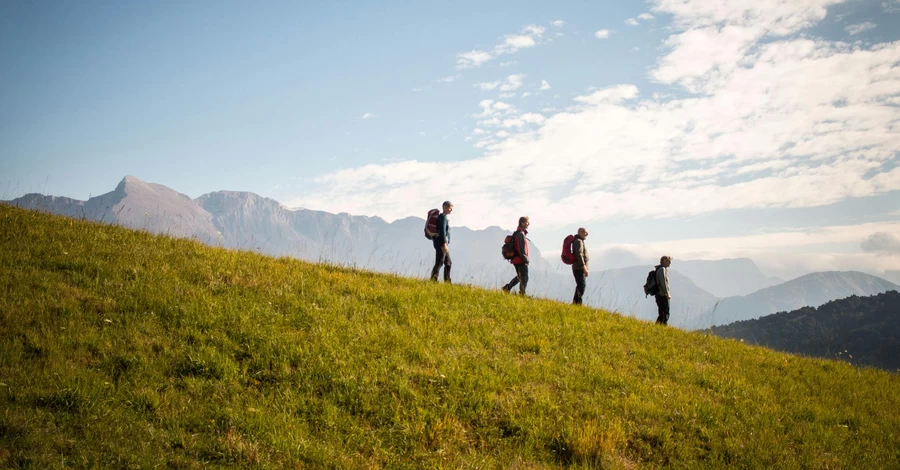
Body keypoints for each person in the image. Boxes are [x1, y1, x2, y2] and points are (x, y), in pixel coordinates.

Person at [502, 216, 530, 295]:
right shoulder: (520, 234)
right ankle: (522, 294)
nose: (528, 224)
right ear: (522, 223)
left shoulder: (517, 233)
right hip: (520, 259)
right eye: (527, 222)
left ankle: (507, 288)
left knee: (519, 276)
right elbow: (521, 249)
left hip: (516, 259)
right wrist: (526, 260)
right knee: (524, 277)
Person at [430, 201, 453, 283]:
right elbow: (443, 231)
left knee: (448, 263)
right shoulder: (442, 217)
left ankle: (447, 282)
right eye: (450, 208)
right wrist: (444, 244)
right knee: (440, 262)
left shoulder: (444, 217)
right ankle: (433, 280)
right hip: (441, 243)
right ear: (445, 208)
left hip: (442, 243)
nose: (451, 210)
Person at [572, 227, 589, 304]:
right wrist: (584, 267)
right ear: (580, 232)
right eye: (585, 232)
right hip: (579, 268)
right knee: (581, 286)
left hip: (578, 267)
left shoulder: (579, 241)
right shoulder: (578, 241)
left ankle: (577, 303)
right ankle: (576, 303)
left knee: (581, 285)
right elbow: (579, 255)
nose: (586, 234)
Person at [655, 255, 672, 325]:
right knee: (665, 314)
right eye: (668, 261)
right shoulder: (662, 270)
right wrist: (667, 293)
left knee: (662, 313)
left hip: (659, 294)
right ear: (664, 261)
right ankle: (663, 327)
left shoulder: (659, 269)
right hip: (662, 295)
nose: (669, 263)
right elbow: (663, 283)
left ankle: (658, 327)